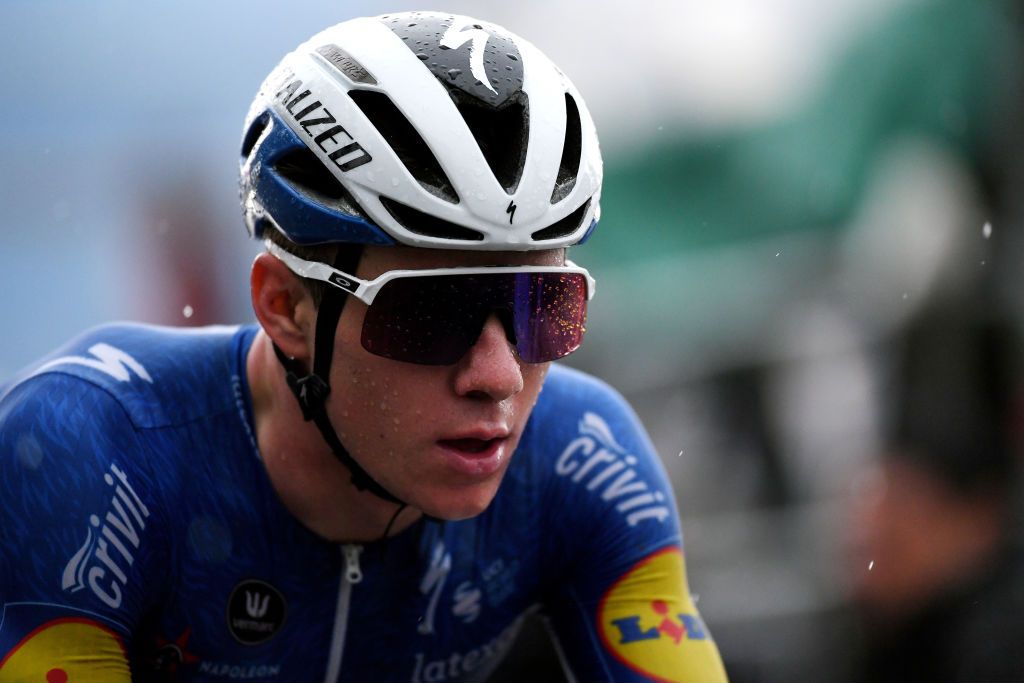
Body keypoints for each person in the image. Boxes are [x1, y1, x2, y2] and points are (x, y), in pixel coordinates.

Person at [0, 12, 727, 682]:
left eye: (545, 309)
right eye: (430, 316)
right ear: (284, 307)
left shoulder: (584, 457)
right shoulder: (91, 451)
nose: (500, 375)